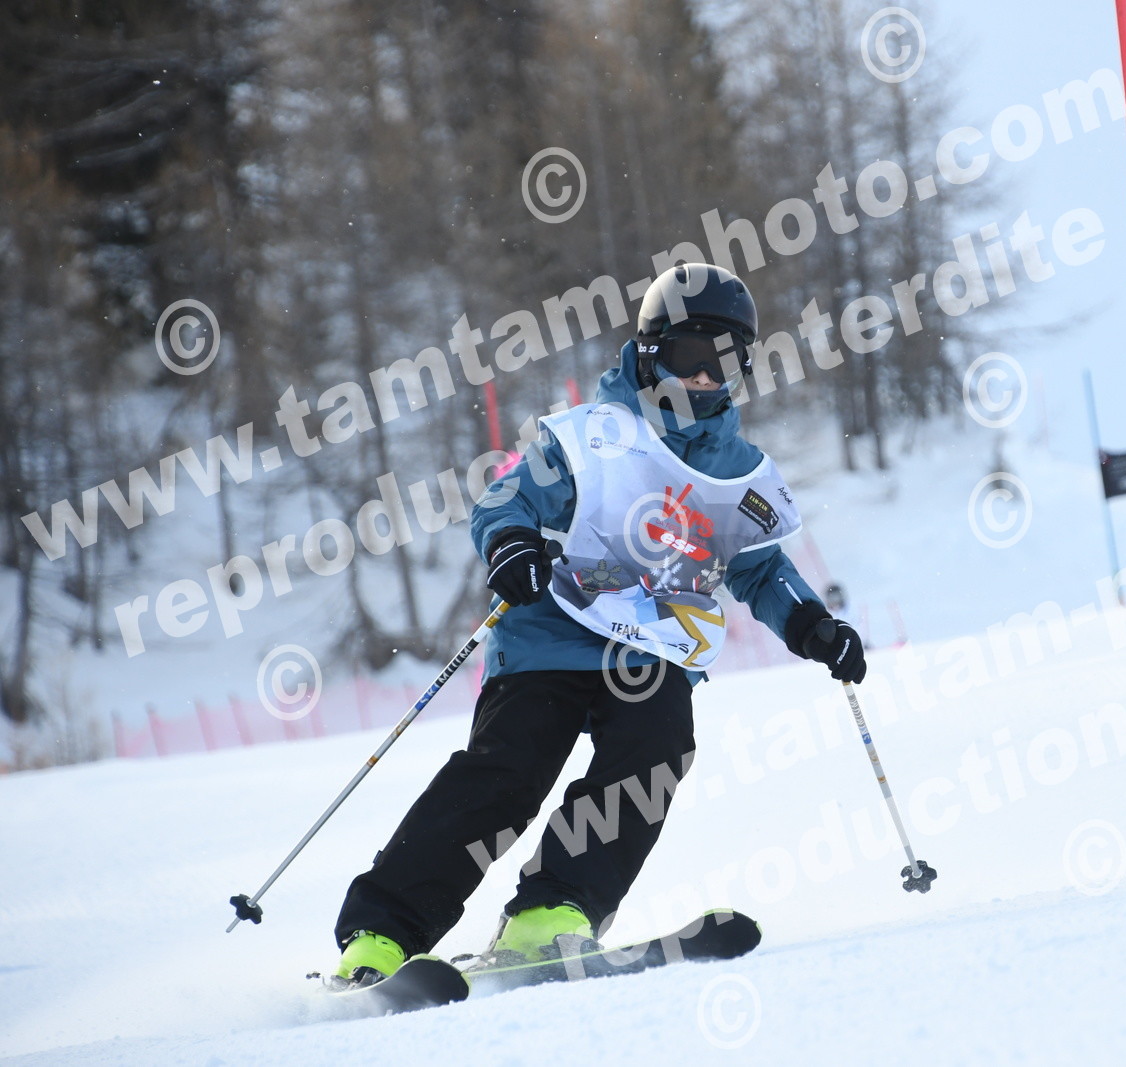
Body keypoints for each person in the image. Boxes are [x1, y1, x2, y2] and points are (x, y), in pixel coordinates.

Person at [328, 264, 866, 986]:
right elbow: (507, 501)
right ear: (649, 352)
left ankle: (551, 910)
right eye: (690, 356)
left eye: (725, 361)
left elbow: (760, 570)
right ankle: (383, 935)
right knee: (509, 773)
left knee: (656, 750)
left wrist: (812, 625)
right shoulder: (591, 437)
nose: (704, 378)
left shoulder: (738, 473)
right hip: (551, 633)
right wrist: (512, 544)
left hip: (654, 646)